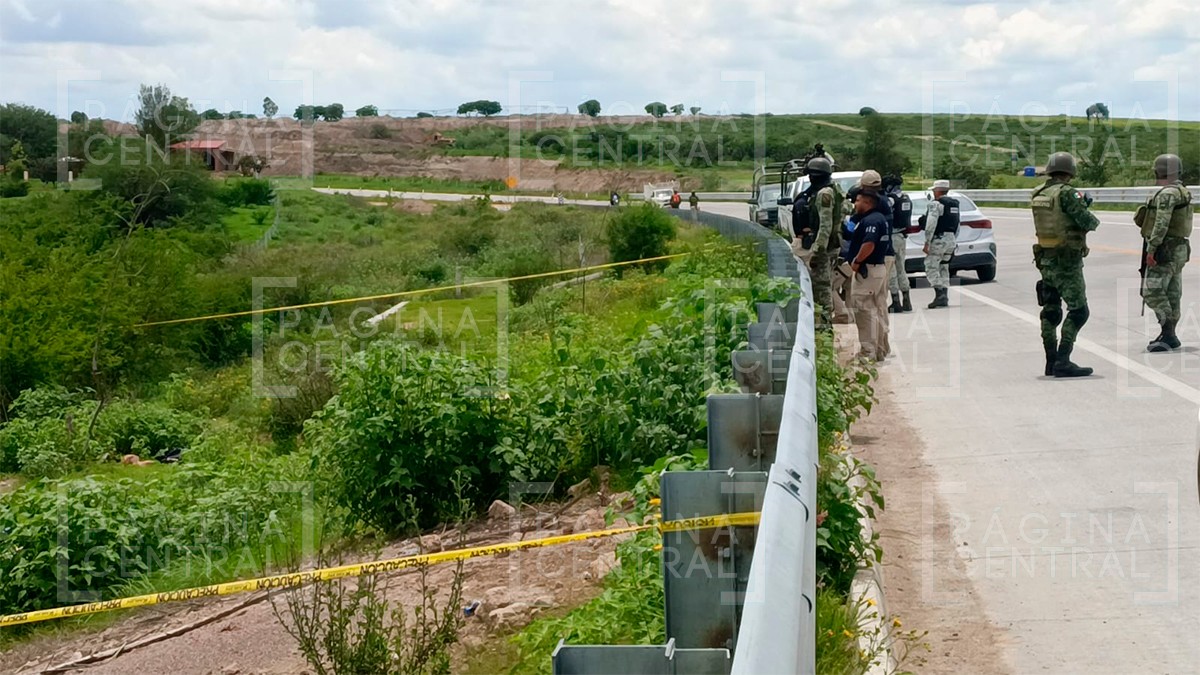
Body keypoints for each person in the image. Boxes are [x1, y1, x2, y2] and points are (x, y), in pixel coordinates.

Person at [1030, 151, 1100, 377]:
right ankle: (1063, 359)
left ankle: (1050, 361)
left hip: (1045, 259)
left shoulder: (1038, 193)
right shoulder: (1068, 193)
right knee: (1079, 311)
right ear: (1070, 171)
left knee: (1050, 311)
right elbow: (1089, 222)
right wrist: (1086, 204)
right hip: (1067, 262)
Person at [1139, 153, 1194, 352]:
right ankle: (1170, 335)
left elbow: (1161, 223)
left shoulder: (1167, 194)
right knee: (1172, 292)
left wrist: (1152, 249)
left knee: (1151, 291)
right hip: (1179, 250)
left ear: (1160, 171)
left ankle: (1168, 332)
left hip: (1165, 249)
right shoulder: (1183, 192)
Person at [789, 156, 844, 329]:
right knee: (820, 288)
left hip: (822, 248)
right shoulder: (833, 189)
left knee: (822, 289)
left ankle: (825, 328)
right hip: (828, 246)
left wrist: (817, 252)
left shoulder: (824, 194)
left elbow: (825, 227)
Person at [846, 183, 891, 361]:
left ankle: (868, 352)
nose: (855, 204)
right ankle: (879, 349)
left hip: (868, 271)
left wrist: (857, 261)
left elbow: (869, 244)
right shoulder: (879, 218)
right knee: (874, 309)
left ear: (867, 202)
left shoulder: (871, 221)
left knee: (864, 311)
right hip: (876, 270)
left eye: (857, 201)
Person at [921, 180, 959, 309]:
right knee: (944, 267)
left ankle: (939, 294)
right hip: (951, 239)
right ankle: (945, 295)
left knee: (931, 266)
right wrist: (953, 239)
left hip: (939, 239)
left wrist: (927, 242)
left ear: (937, 191)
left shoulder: (936, 204)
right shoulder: (954, 204)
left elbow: (931, 224)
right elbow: (958, 224)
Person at [883, 176, 913, 312]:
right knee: (902, 268)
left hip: (892, 236)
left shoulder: (890, 199)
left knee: (891, 270)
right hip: (902, 236)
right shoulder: (906, 198)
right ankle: (907, 298)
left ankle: (896, 301)